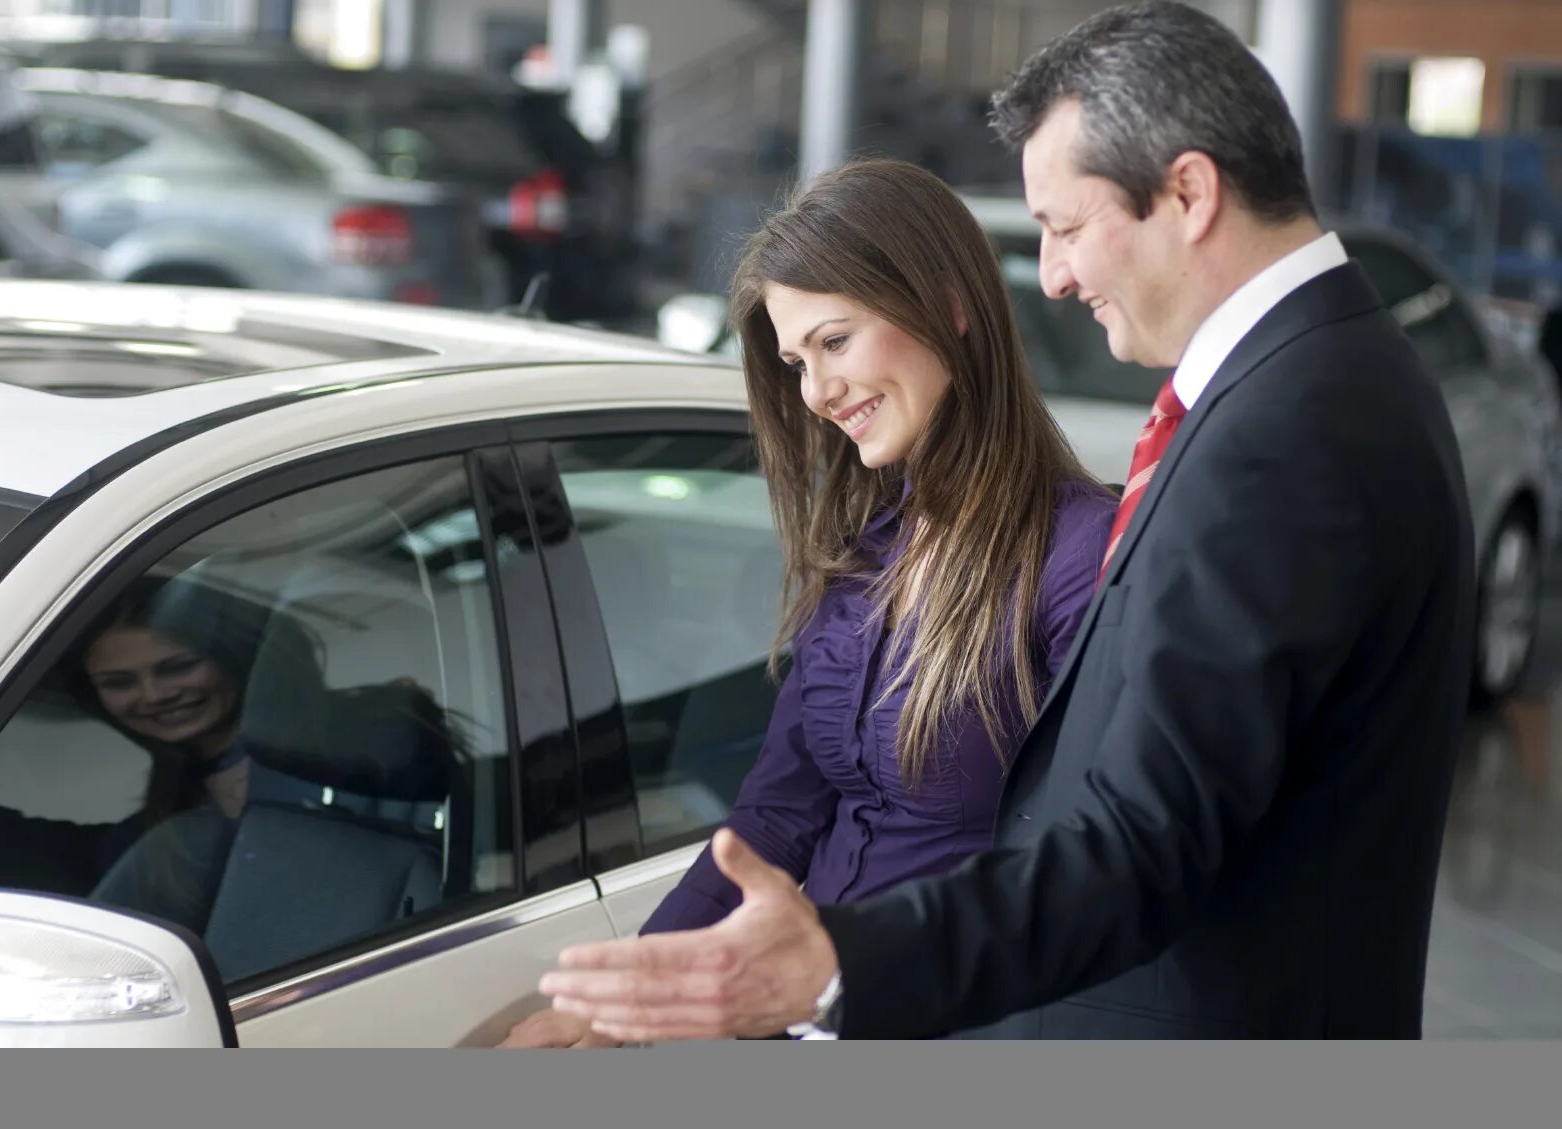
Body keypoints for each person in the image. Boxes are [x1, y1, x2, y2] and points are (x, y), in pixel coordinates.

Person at [539, 0, 1476, 1041]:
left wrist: (835, 970)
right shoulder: (1326, 382)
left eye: (1067, 228)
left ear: (1190, 192)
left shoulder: (1286, 429)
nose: (1058, 274)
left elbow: (1137, 845)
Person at [501, 157, 1116, 1047]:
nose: (815, 394)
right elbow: (775, 818)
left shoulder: (1081, 558)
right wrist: (616, 1004)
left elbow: (1084, 881)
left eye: (834, 341)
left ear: (948, 305)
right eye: (795, 361)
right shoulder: (863, 559)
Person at [0, 574, 464, 930]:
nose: (154, 695)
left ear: (234, 656)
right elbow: (94, 862)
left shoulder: (369, 741)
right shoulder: (182, 790)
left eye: (177, 667)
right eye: (119, 682)